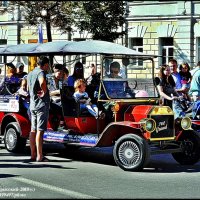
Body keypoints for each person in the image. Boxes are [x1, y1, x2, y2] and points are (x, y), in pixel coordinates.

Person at [27, 56, 50, 162]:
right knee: (40, 131)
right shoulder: (41, 72)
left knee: (33, 130)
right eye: (47, 65)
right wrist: (44, 92)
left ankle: (32, 154)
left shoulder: (30, 73)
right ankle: (40, 156)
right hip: (41, 104)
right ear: (45, 65)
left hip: (32, 104)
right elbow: (42, 82)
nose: (48, 67)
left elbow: (28, 88)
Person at [47, 63, 65, 130]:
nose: (60, 75)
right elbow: (46, 93)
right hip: (50, 100)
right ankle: (61, 123)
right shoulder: (48, 79)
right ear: (55, 72)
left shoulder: (61, 81)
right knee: (62, 105)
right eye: (59, 73)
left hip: (59, 98)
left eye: (61, 73)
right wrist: (56, 92)